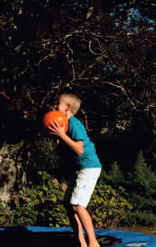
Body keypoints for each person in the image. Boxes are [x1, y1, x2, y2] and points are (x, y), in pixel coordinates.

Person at [48, 93, 102, 247]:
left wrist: (62, 136)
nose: (55, 106)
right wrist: (60, 138)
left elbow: (79, 149)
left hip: (89, 167)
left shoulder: (75, 123)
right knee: (68, 204)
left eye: (57, 103)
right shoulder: (65, 125)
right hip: (80, 168)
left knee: (78, 205)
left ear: (67, 107)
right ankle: (81, 242)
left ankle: (93, 242)